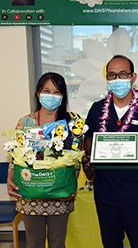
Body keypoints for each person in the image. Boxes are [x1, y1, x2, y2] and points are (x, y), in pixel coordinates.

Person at [84, 55, 138, 248]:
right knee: (110, 243)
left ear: (133, 77)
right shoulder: (97, 110)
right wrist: (91, 157)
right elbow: (88, 141)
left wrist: (130, 150)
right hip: (105, 194)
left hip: (136, 196)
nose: (117, 80)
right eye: (112, 75)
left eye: (123, 74)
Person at [7, 72, 80, 248]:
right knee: (34, 242)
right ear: (38, 93)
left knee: (57, 242)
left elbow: (76, 160)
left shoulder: (71, 123)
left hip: (59, 196)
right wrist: (11, 177)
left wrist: (71, 186)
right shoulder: (24, 123)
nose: (51, 96)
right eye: (46, 91)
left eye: (56, 92)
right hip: (31, 195)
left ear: (63, 96)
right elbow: (16, 157)